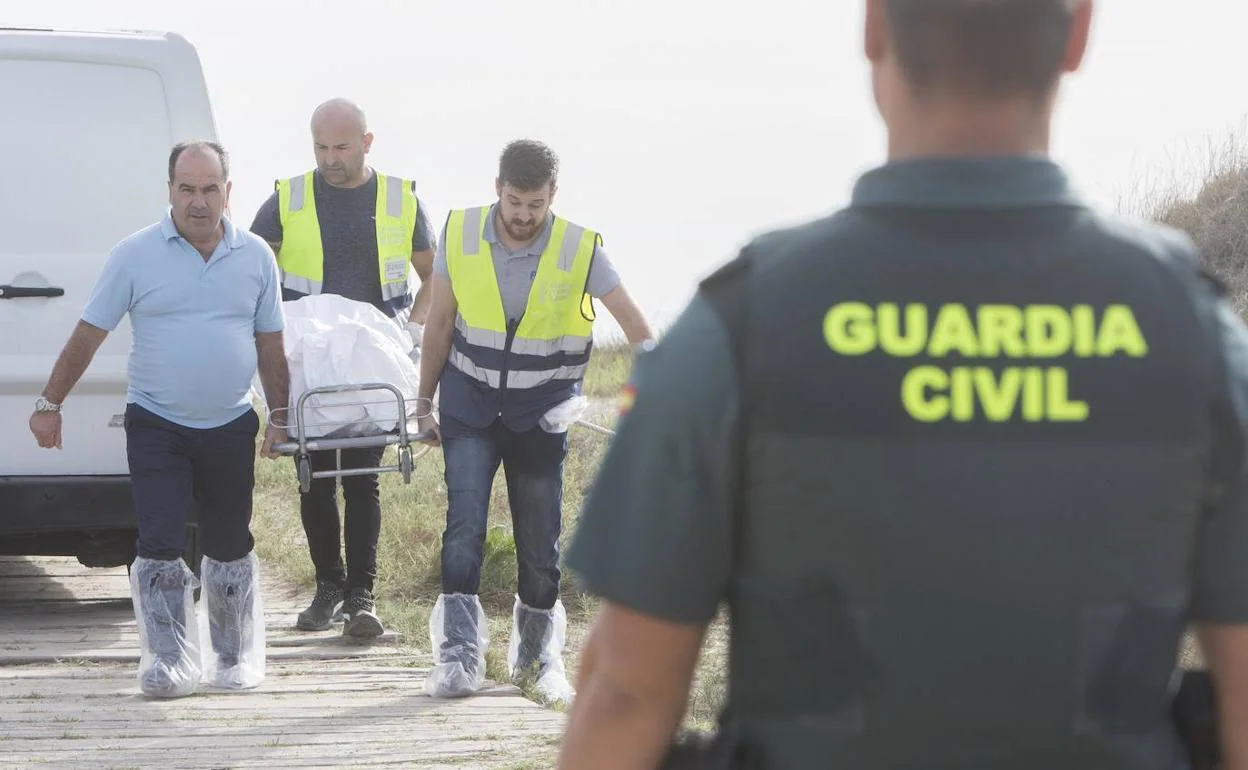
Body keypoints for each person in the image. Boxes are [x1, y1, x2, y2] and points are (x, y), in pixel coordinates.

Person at [558, 1, 1248, 768]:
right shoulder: (1191, 329)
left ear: (874, 26)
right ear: (1079, 31)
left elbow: (626, 688)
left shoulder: (741, 326)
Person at [29, 140, 289, 699]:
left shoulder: (256, 257)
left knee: (227, 542)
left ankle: (230, 657)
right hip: (158, 423)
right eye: (187, 188)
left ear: (228, 191)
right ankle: (166, 660)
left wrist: (282, 417)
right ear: (169, 190)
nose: (199, 202)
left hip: (230, 424)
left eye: (210, 188)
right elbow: (89, 333)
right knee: (160, 540)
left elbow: (271, 345)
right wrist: (50, 403)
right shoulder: (135, 254)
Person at [417, 138, 654, 703]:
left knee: (540, 539)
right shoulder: (461, 232)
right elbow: (441, 322)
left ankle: (537, 661)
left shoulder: (582, 249)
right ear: (497, 188)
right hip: (469, 405)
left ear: (553, 196)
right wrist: (422, 403)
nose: (523, 216)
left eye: (536, 204)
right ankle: (456, 656)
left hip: (542, 415)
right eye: (515, 201)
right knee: (464, 527)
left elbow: (641, 332)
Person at [250, 98, 437, 638]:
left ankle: (361, 597)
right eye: (321, 147)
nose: (330, 159)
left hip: (371, 358)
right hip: (309, 357)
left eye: (341, 147)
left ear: (367, 142)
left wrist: (412, 333)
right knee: (314, 475)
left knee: (361, 477)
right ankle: (327, 586)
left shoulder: (402, 199)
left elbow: (434, 276)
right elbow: (250, 267)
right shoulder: (288, 198)